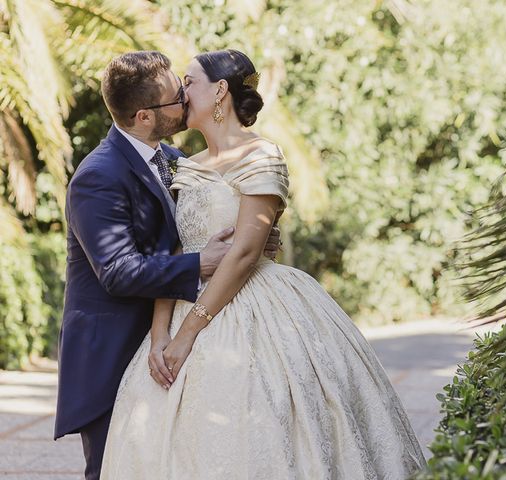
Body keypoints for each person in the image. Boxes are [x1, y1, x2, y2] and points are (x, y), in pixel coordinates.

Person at [100, 49, 426, 479]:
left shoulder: (261, 156)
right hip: (180, 305)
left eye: (189, 81)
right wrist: (161, 334)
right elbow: (175, 253)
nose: (181, 91)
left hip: (253, 304)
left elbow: (246, 254)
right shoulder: (183, 167)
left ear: (220, 92)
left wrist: (188, 334)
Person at [54, 51, 281, 480]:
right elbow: (118, 271)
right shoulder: (97, 176)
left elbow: (198, 226)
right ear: (144, 116)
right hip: (115, 350)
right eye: (177, 95)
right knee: (114, 469)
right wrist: (200, 263)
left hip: (177, 339)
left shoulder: (176, 161)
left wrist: (256, 232)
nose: (184, 98)